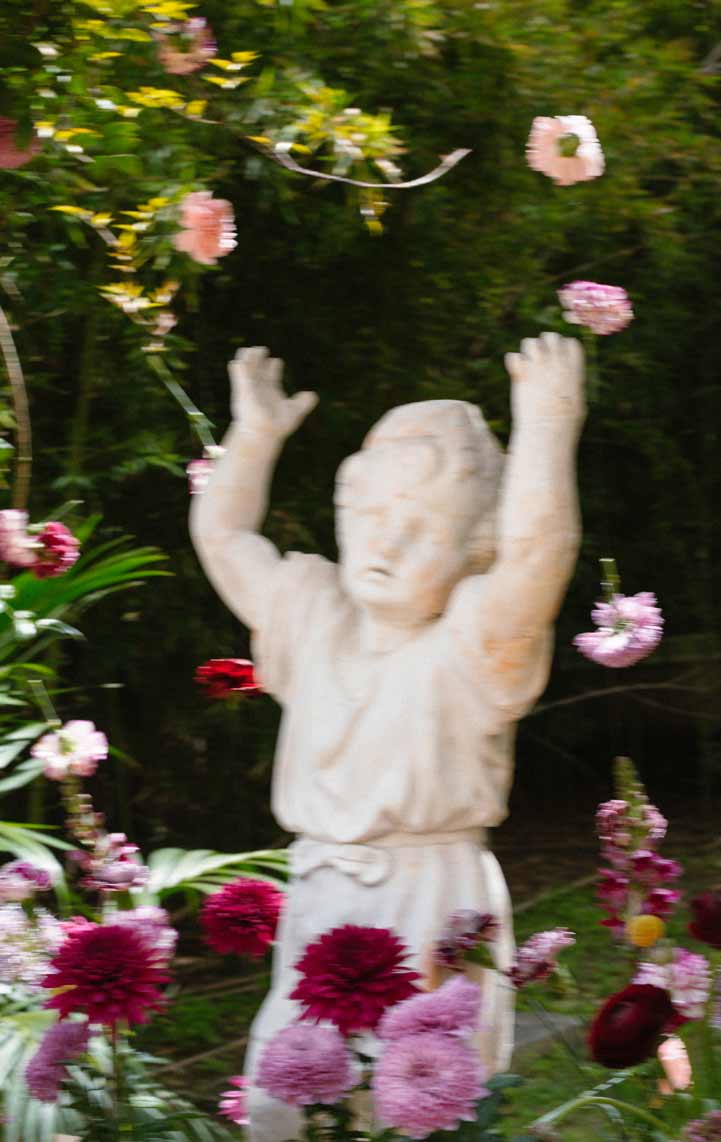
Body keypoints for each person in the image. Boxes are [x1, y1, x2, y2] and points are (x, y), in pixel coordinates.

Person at [190, 333, 585, 1141]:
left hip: (434, 898)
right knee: (282, 1107)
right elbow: (225, 540)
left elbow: (540, 556)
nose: (385, 543)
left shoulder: (472, 646)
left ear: (476, 549)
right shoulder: (312, 614)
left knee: (424, 1111)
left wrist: (547, 427)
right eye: (367, 515)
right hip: (320, 894)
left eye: (420, 526)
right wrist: (254, 435)